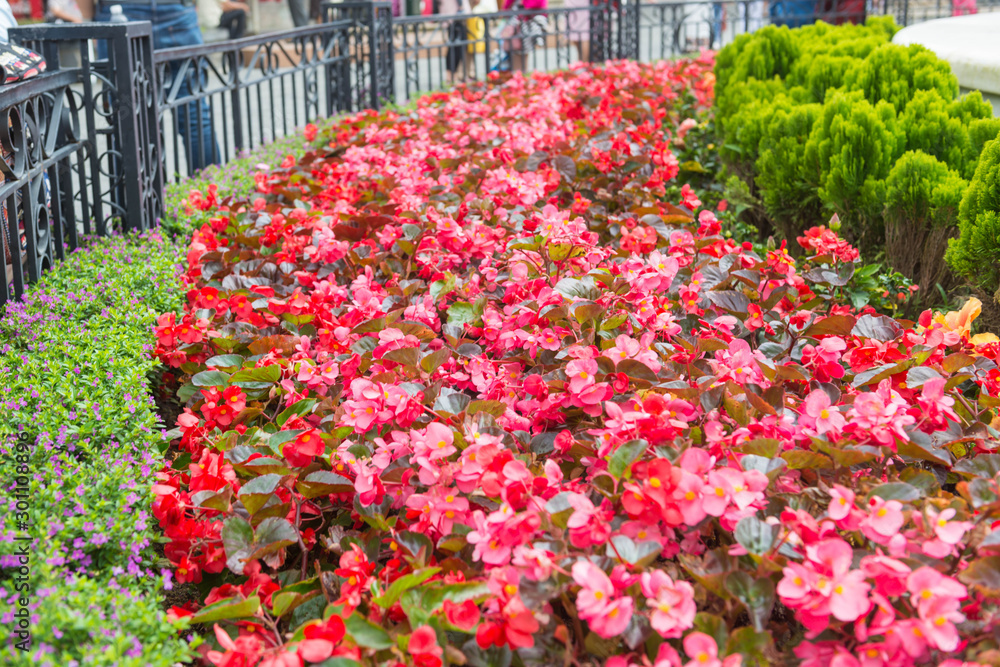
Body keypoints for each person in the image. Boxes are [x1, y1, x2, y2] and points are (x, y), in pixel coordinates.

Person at [94, 1, 220, 173]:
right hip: (174, 11)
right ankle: (209, 188)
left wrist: (89, 18)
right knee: (194, 117)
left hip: (121, 11)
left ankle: (139, 191)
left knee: (129, 123)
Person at [501, 0, 546, 73]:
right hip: (516, 26)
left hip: (527, 26)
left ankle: (521, 75)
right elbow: (506, 7)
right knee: (515, 54)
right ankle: (518, 75)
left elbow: (538, 4)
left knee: (524, 53)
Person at [439, 0, 469, 84]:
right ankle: (451, 75)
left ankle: (453, 75)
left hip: (456, 18)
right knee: (454, 50)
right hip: (454, 18)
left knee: (458, 49)